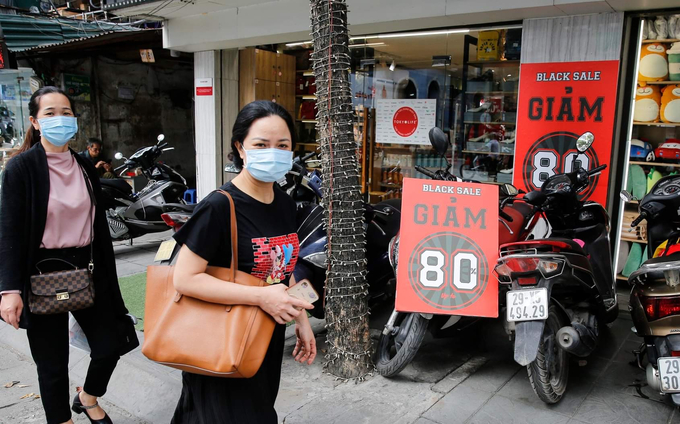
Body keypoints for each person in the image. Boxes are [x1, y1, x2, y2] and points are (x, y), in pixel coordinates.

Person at [170, 100, 316, 424]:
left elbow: (283, 267)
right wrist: (262, 296)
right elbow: (185, 278)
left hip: (265, 342)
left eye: (282, 145)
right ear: (240, 146)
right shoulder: (219, 206)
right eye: (261, 144)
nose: (273, 152)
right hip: (221, 341)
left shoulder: (284, 204)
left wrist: (302, 320)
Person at [0, 86, 138, 424]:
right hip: (41, 274)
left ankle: (88, 396)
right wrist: (9, 290)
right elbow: (9, 231)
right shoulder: (21, 169)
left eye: (66, 112)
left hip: (88, 271)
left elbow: (98, 227)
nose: (60, 119)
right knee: (52, 365)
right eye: (50, 113)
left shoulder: (83, 165)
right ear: (34, 121)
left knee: (111, 345)